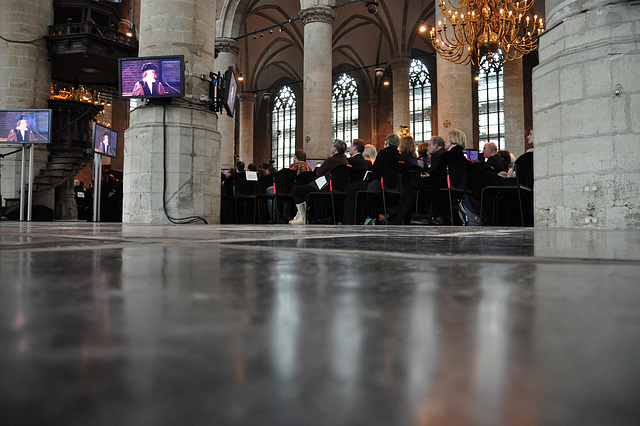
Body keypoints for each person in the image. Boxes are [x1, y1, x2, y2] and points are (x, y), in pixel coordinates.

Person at [390, 128, 467, 225]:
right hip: (452, 184)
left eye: (447, 139)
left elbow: (439, 171)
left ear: (453, 140)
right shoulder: (459, 154)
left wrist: (430, 175)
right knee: (414, 189)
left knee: (413, 182)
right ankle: (400, 216)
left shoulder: (448, 154)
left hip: (443, 184)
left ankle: (399, 213)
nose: (445, 142)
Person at [342, 133, 403, 225]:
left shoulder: (384, 153)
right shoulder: (400, 156)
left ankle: (350, 220)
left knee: (352, 188)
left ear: (386, 143)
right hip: (395, 188)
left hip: (380, 185)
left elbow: (377, 171)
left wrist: (369, 178)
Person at [289, 139, 348, 225]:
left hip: (325, 186)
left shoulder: (331, 160)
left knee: (296, 191)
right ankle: (300, 216)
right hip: (339, 188)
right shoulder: (346, 161)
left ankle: (303, 217)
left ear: (335, 149)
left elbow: (319, 173)